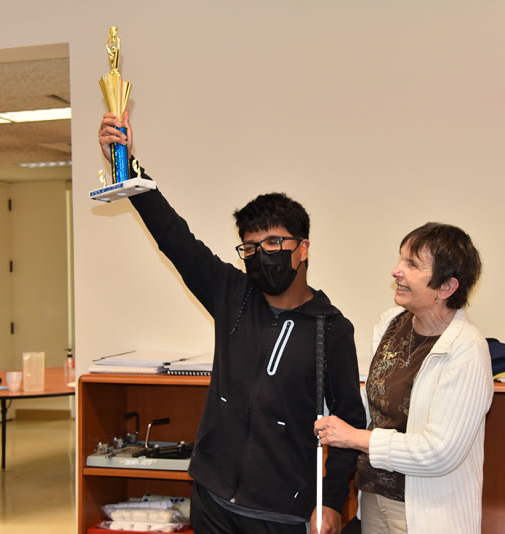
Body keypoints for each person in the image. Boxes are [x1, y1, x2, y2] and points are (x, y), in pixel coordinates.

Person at [98, 111, 366, 534]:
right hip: (212, 502)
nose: (263, 254)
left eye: (275, 242)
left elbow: (350, 425)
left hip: (283, 515)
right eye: (251, 246)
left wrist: (331, 503)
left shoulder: (330, 329)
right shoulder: (232, 295)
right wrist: (127, 165)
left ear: (303, 249)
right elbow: (175, 238)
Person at [314, 222, 494, 534]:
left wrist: (354, 438)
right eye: (401, 259)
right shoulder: (390, 324)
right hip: (372, 499)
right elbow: (377, 406)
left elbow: (438, 452)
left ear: (446, 288)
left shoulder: (467, 350)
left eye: (411, 264)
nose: (396, 271)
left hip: (424, 514)